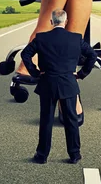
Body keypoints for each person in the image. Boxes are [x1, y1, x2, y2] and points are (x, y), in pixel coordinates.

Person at [21, 9, 97, 164]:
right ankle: (74, 155)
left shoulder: (41, 38)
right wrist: (82, 74)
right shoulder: (76, 38)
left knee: (46, 121)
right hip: (68, 83)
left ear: (51, 22)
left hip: (47, 83)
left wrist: (35, 72)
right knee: (71, 121)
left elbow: (25, 54)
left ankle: (42, 156)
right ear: (66, 21)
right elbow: (92, 55)